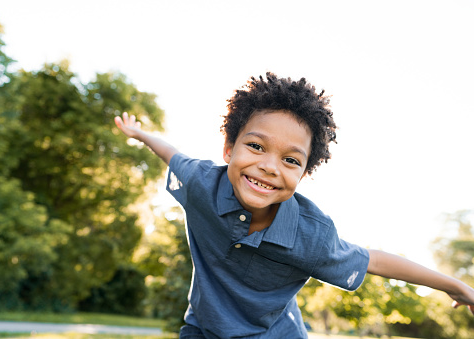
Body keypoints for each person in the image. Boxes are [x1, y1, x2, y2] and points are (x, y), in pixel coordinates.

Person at [114, 73, 474, 338]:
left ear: (303, 174)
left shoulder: (310, 235)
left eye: (290, 160)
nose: (270, 166)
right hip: (204, 329)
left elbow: (373, 260)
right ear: (228, 149)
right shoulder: (200, 183)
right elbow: (171, 154)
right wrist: (140, 133)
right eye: (256, 146)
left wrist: (454, 286)